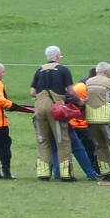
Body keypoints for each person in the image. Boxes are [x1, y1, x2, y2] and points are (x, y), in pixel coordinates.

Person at [31, 45, 82, 181]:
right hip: (56, 110)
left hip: (39, 108)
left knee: (43, 141)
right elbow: (71, 91)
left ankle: (43, 173)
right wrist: (80, 101)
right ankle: (66, 174)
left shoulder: (39, 70)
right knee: (62, 141)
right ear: (58, 57)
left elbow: (32, 92)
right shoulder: (63, 70)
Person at [50, 78, 100, 181]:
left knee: (55, 147)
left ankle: (57, 173)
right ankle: (91, 173)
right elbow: (73, 99)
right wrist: (81, 102)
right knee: (78, 147)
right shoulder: (70, 88)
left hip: (47, 119)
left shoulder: (44, 88)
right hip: (67, 122)